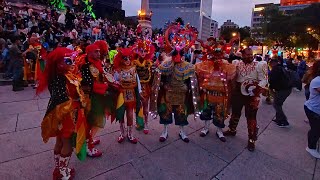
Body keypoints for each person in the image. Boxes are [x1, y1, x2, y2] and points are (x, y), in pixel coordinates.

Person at [36, 47, 89, 179]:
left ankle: (58, 169)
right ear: (59, 63)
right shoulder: (62, 78)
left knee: (59, 141)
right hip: (67, 115)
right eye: (68, 60)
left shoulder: (56, 76)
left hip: (59, 115)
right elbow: (64, 100)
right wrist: (79, 100)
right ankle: (63, 173)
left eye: (72, 59)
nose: (72, 62)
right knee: (67, 144)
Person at [150, 23, 198, 143]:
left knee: (182, 114)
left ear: (183, 54)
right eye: (175, 53)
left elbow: (191, 82)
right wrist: (162, 85)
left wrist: (188, 89)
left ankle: (182, 131)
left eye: (180, 53)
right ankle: (165, 131)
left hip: (181, 94)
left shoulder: (188, 67)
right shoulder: (165, 65)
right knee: (165, 113)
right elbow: (158, 79)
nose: (177, 56)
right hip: (168, 94)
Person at [224, 48, 268, 151]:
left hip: (252, 93)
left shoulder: (259, 65)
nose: (250, 56)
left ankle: (251, 139)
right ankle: (232, 129)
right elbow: (232, 74)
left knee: (251, 117)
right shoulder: (237, 63)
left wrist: (256, 90)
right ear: (242, 55)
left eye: (251, 54)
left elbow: (264, 79)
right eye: (247, 55)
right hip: (238, 92)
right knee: (235, 112)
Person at [196, 38, 236, 142]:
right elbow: (198, 73)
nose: (217, 58)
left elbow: (230, 80)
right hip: (208, 94)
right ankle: (206, 128)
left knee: (220, 114)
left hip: (221, 95)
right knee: (206, 112)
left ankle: (219, 130)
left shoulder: (227, 67)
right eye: (215, 55)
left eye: (219, 55)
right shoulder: (206, 65)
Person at [80, 44, 107, 157]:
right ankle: (88, 147)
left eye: (99, 51)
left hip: (98, 96)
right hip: (90, 98)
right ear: (89, 53)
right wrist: (105, 86)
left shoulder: (97, 63)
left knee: (96, 120)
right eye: (96, 51)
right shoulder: (85, 65)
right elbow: (86, 83)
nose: (98, 53)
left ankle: (90, 138)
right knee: (90, 121)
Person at [113, 47, 143, 144]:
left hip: (131, 94)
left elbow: (137, 82)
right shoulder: (118, 70)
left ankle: (130, 134)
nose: (127, 60)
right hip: (121, 94)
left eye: (129, 58)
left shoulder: (133, 69)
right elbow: (114, 81)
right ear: (121, 59)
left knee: (130, 114)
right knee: (121, 114)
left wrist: (140, 92)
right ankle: (122, 133)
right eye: (125, 58)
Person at [132, 39, 155, 134]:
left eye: (145, 51)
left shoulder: (149, 63)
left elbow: (152, 76)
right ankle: (138, 122)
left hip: (146, 87)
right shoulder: (133, 63)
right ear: (137, 51)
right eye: (141, 50)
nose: (143, 53)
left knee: (145, 106)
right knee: (137, 106)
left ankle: (146, 123)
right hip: (136, 87)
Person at [269, 59, 292, 127]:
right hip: (286, 89)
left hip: (282, 90)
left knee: (276, 104)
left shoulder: (275, 69)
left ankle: (284, 121)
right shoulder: (281, 68)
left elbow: (273, 80)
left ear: (273, 63)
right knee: (278, 104)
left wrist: (271, 88)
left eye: (270, 64)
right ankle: (278, 118)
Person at [304, 66, 320, 159]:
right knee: (316, 129)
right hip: (313, 109)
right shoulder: (317, 80)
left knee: (316, 128)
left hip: (315, 109)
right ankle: (311, 147)